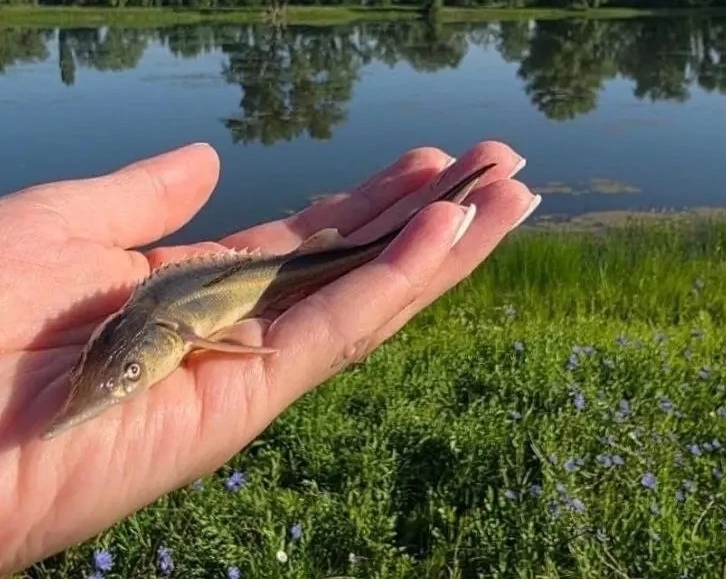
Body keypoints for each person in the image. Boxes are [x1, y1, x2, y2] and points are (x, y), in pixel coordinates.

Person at [0, 140, 537, 575]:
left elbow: (215, 341)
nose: (124, 382)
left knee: (384, 249)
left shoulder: (179, 328)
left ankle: (451, 200)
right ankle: (444, 202)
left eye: (132, 373)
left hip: (279, 273)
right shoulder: (122, 332)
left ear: (172, 338)